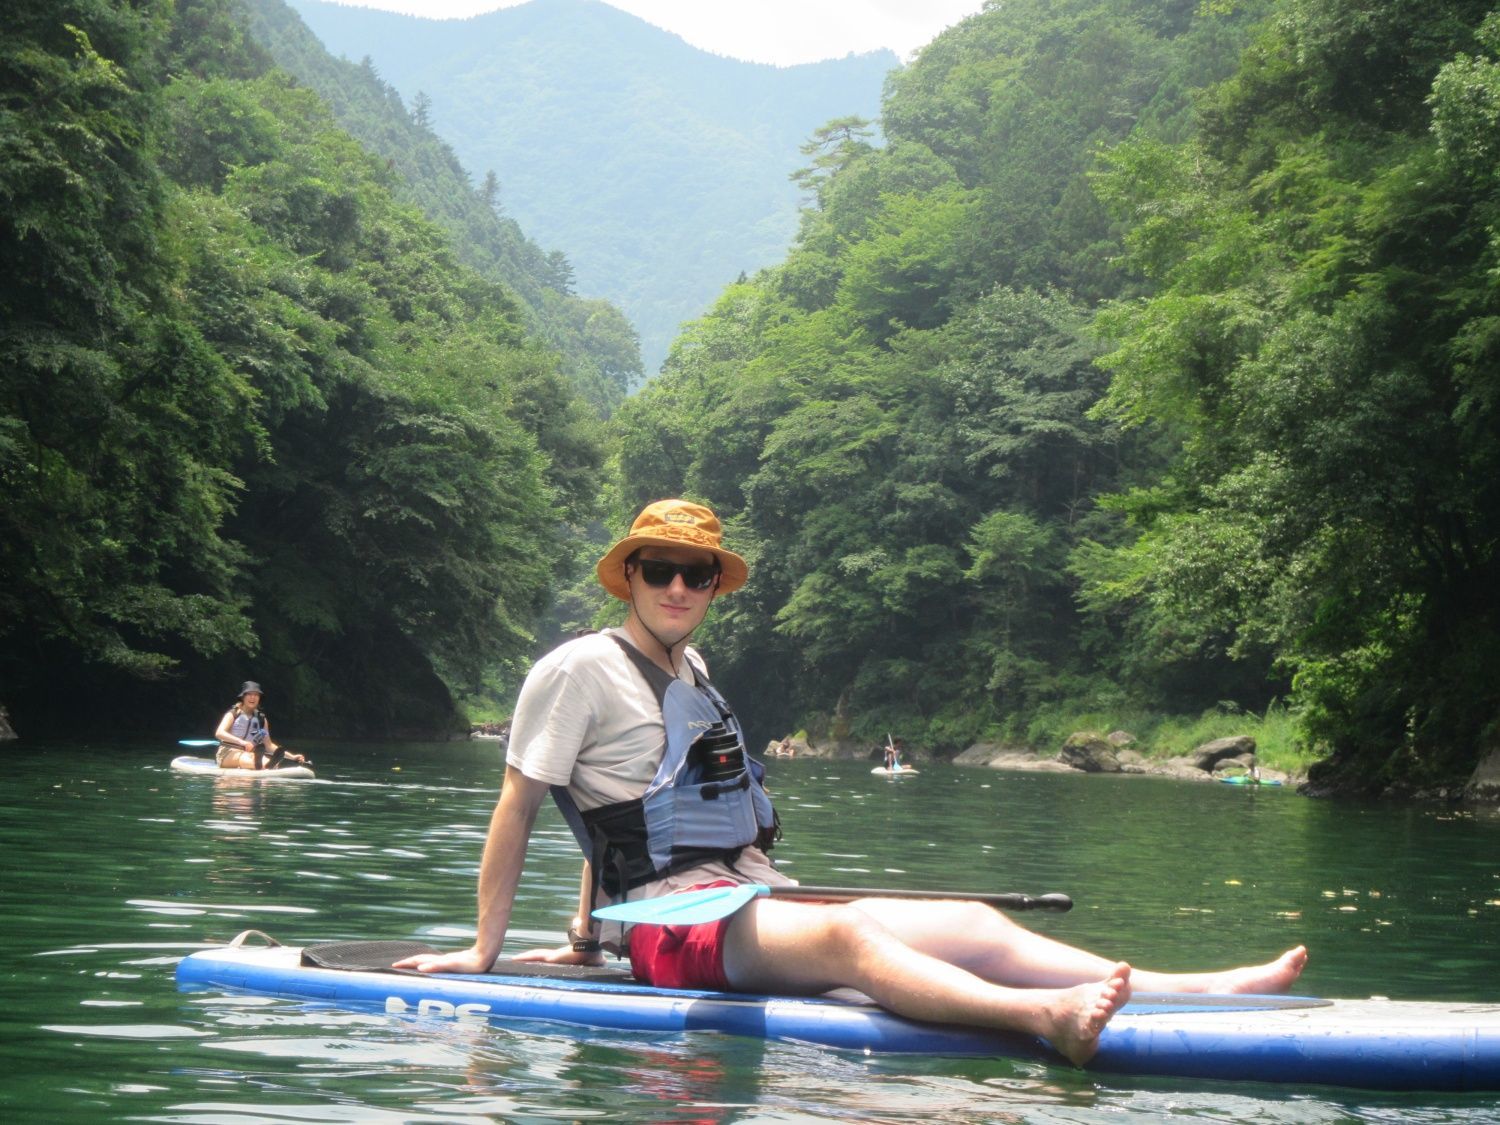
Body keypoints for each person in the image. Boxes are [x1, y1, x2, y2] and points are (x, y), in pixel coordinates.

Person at [397, 499, 1308, 1066]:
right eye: (661, 570)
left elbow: (640, 808)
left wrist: (581, 934)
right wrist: (485, 950)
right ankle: (1045, 1015)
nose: (678, 587)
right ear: (629, 576)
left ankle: (1201, 988)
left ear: (714, 586)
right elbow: (523, 804)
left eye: (697, 573)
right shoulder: (575, 669)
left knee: (970, 921)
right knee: (848, 935)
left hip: (742, 895)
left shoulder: (693, 670)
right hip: (671, 925)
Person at [214, 681, 309, 770]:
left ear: (259, 698)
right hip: (227, 753)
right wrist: (243, 743)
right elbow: (219, 733)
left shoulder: (261, 719)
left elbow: (268, 745)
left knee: (272, 764)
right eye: (249, 694)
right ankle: (258, 764)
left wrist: (292, 757)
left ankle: (262, 765)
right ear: (243, 697)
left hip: (249, 754)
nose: (253, 697)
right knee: (248, 759)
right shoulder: (233, 714)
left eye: (256, 695)